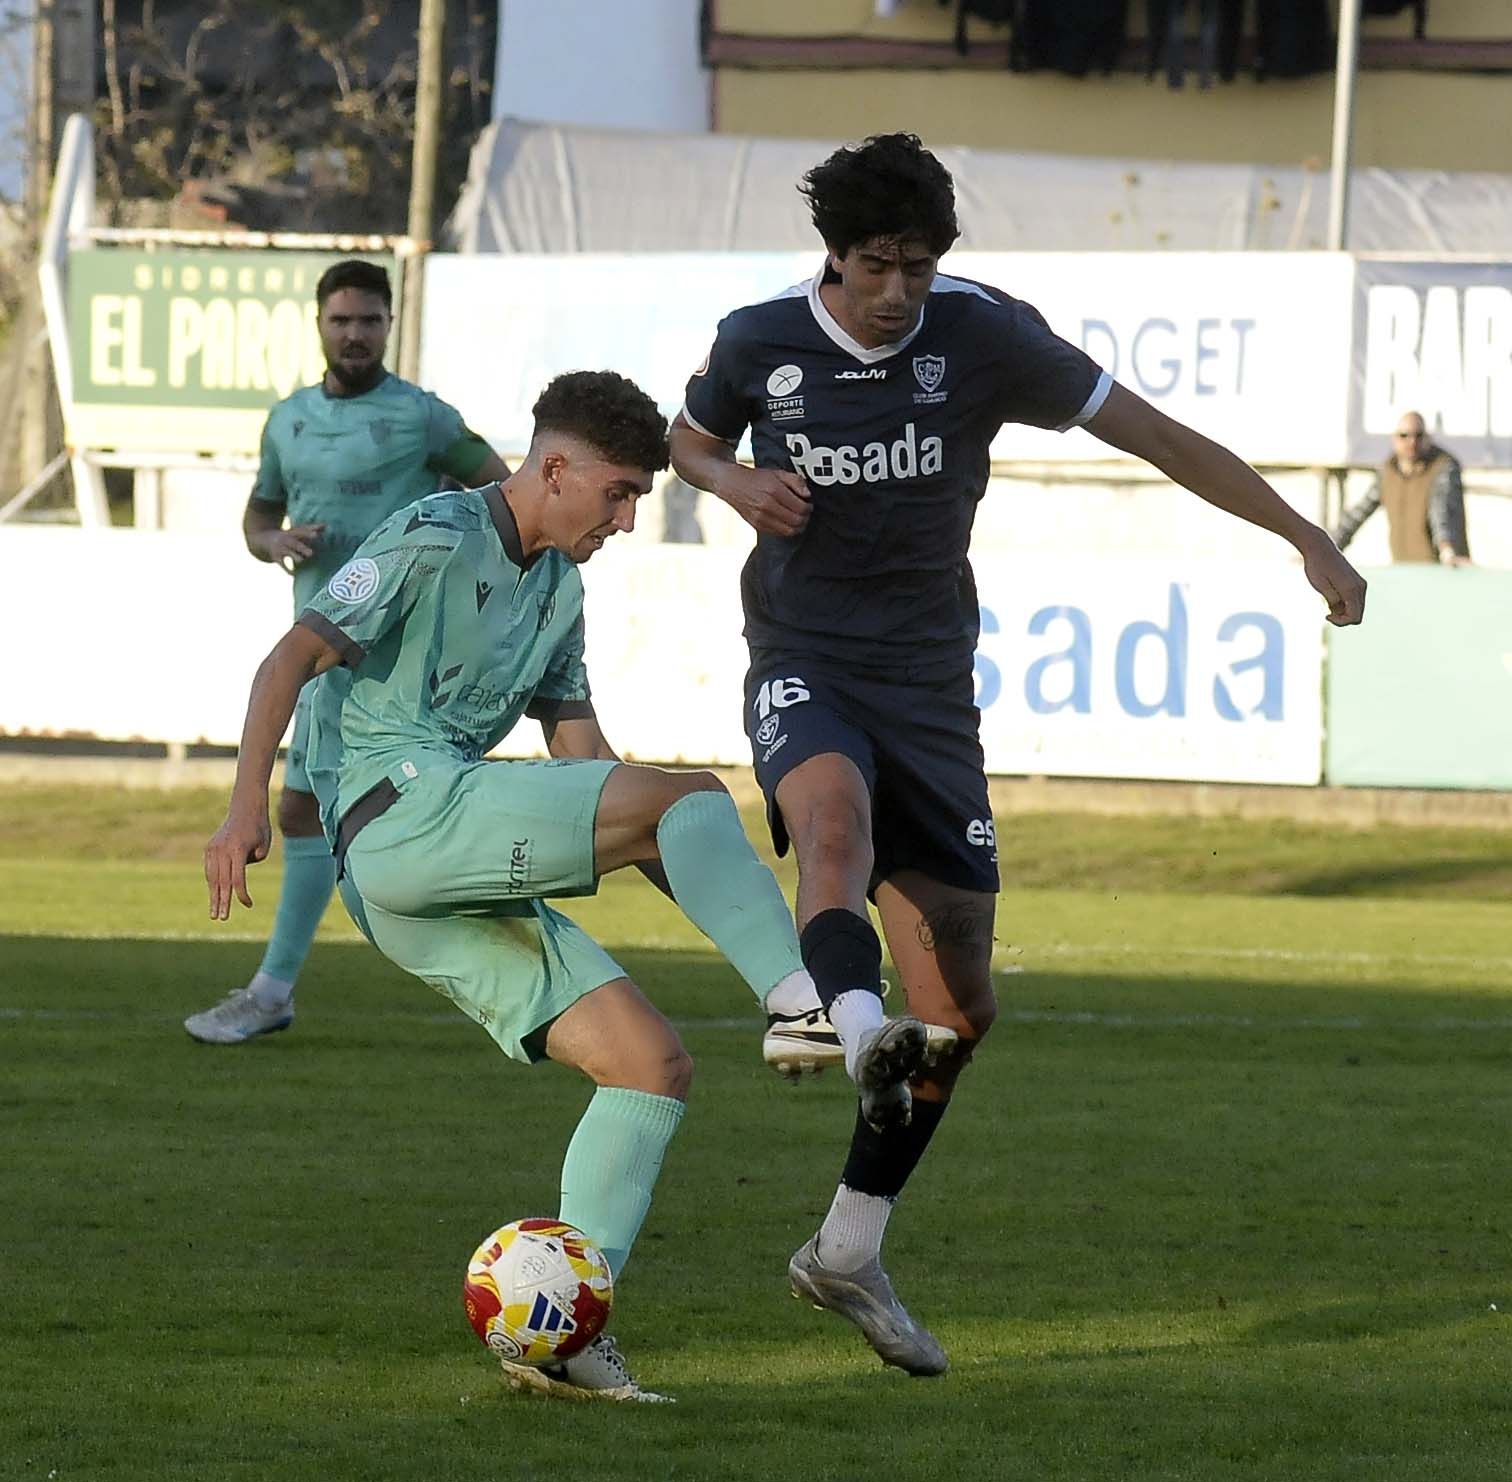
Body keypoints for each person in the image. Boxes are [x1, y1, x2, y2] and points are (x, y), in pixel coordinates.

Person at [669, 132, 1367, 1378]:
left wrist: (1304, 534)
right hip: (805, 653)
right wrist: (730, 483)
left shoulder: (985, 336)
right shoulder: (757, 340)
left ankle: (848, 1246)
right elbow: (687, 438)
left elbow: (1158, 436)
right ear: (833, 255)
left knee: (961, 1010)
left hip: (931, 687)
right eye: (877, 266)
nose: (899, 291)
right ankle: (852, 1025)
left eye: (919, 267)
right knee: (831, 826)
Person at [202, 370, 907, 1403]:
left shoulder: (560, 592)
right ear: (557, 468)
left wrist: (692, 859)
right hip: (400, 815)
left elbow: (587, 761)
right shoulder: (435, 532)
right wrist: (243, 809)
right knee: (689, 794)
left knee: (650, 1064)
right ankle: (806, 1002)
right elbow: (287, 659)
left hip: (423, 885)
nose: (626, 520)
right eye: (618, 494)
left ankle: (566, 1332)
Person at [184, 259, 511, 1046]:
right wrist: (273, 541)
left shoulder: (424, 417)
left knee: (356, 824)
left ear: (390, 325)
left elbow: (501, 493)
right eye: (342, 320)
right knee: (307, 812)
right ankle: (276, 989)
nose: (355, 334)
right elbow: (259, 516)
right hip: (318, 646)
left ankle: (495, 971)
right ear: (320, 325)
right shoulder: (288, 420)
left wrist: (441, 551)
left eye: (369, 320)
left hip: (387, 660)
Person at [1333, 411, 1472, 566]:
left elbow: (1441, 512)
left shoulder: (1443, 467)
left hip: (1441, 568)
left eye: (1418, 436)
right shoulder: (1388, 471)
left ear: (1428, 438)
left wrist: (1447, 551)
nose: (1412, 442)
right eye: (1404, 436)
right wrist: (1329, 549)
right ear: (1394, 439)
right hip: (1403, 568)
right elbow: (1357, 515)